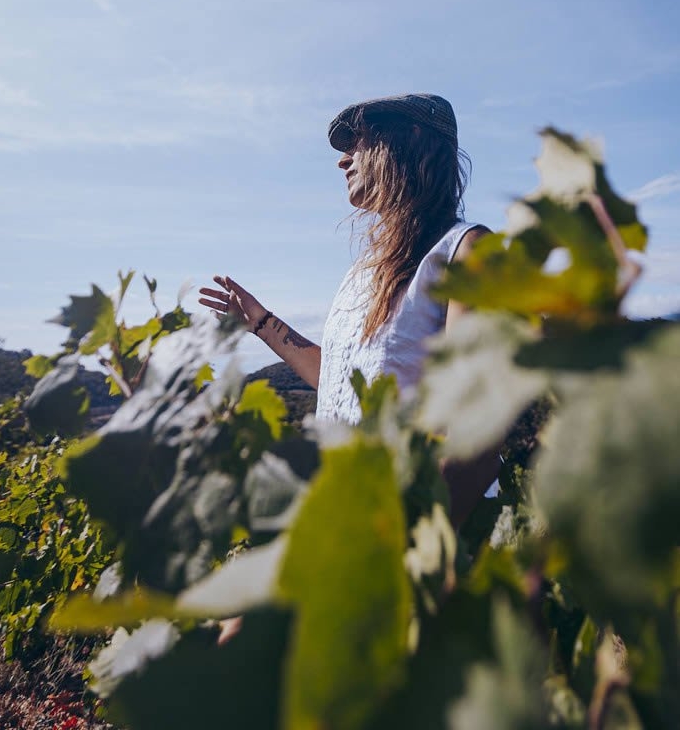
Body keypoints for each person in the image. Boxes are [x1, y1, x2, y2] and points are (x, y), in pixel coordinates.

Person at [199, 93, 499, 526]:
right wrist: (262, 324)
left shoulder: (467, 253)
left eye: (359, 141)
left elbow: (476, 443)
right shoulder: (362, 274)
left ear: (412, 139)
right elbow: (339, 380)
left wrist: (408, 558)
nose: (343, 160)